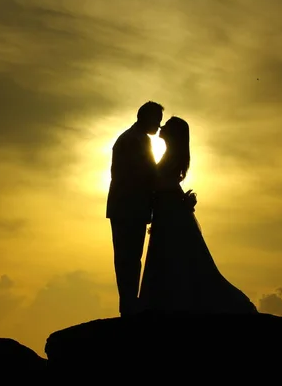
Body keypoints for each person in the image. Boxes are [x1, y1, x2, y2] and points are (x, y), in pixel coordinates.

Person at [138, 116, 258, 314]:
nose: (162, 126)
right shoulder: (169, 154)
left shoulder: (171, 156)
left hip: (170, 213)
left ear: (174, 133)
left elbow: (165, 183)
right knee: (176, 257)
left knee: (176, 257)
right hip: (169, 211)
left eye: (167, 125)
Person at [106, 101, 163, 316]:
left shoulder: (139, 139)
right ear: (145, 117)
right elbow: (140, 175)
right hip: (127, 207)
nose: (158, 126)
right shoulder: (131, 140)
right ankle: (128, 306)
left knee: (131, 257)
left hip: (132, 207)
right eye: (156, 120)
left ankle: (130, 304)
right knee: (126, 258)